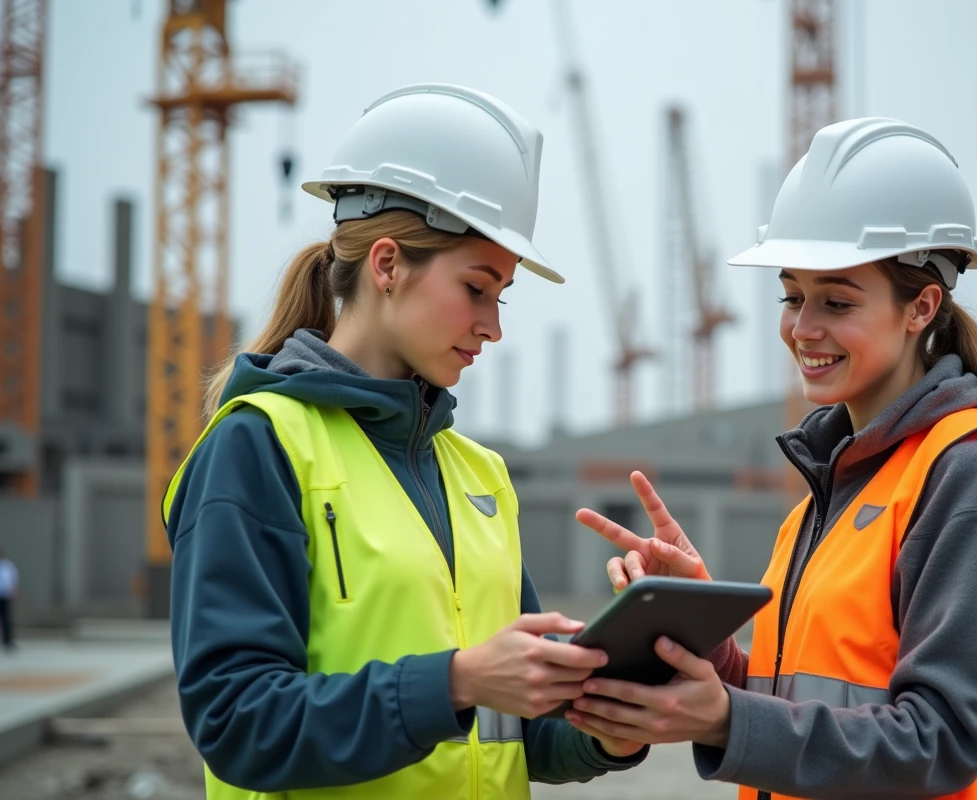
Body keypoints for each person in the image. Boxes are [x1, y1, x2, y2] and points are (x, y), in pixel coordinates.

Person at [567, 118, 977, 798]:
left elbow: (939, 742)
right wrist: (701, 641)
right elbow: (808, 702)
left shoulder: (971, 476)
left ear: (921, 306)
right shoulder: (837, 489)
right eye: (792, 296)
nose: (804, 328)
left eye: (836, 301)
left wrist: (727, 722)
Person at [164, 84, 646, 800]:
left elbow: (513, 729)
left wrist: (610, 728)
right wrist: (454, 681)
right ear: (387, 265)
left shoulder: (479, 474)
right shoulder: (258, 448)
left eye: (502, 296)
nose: (494, 325)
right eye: (477, 288)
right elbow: (238, 722)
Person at [0, 549, 17, 652]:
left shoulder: (8, 566)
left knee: (7, 619)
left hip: (5, 596)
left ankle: (8, 641)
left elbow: (13, 579)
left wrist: (14, 591)